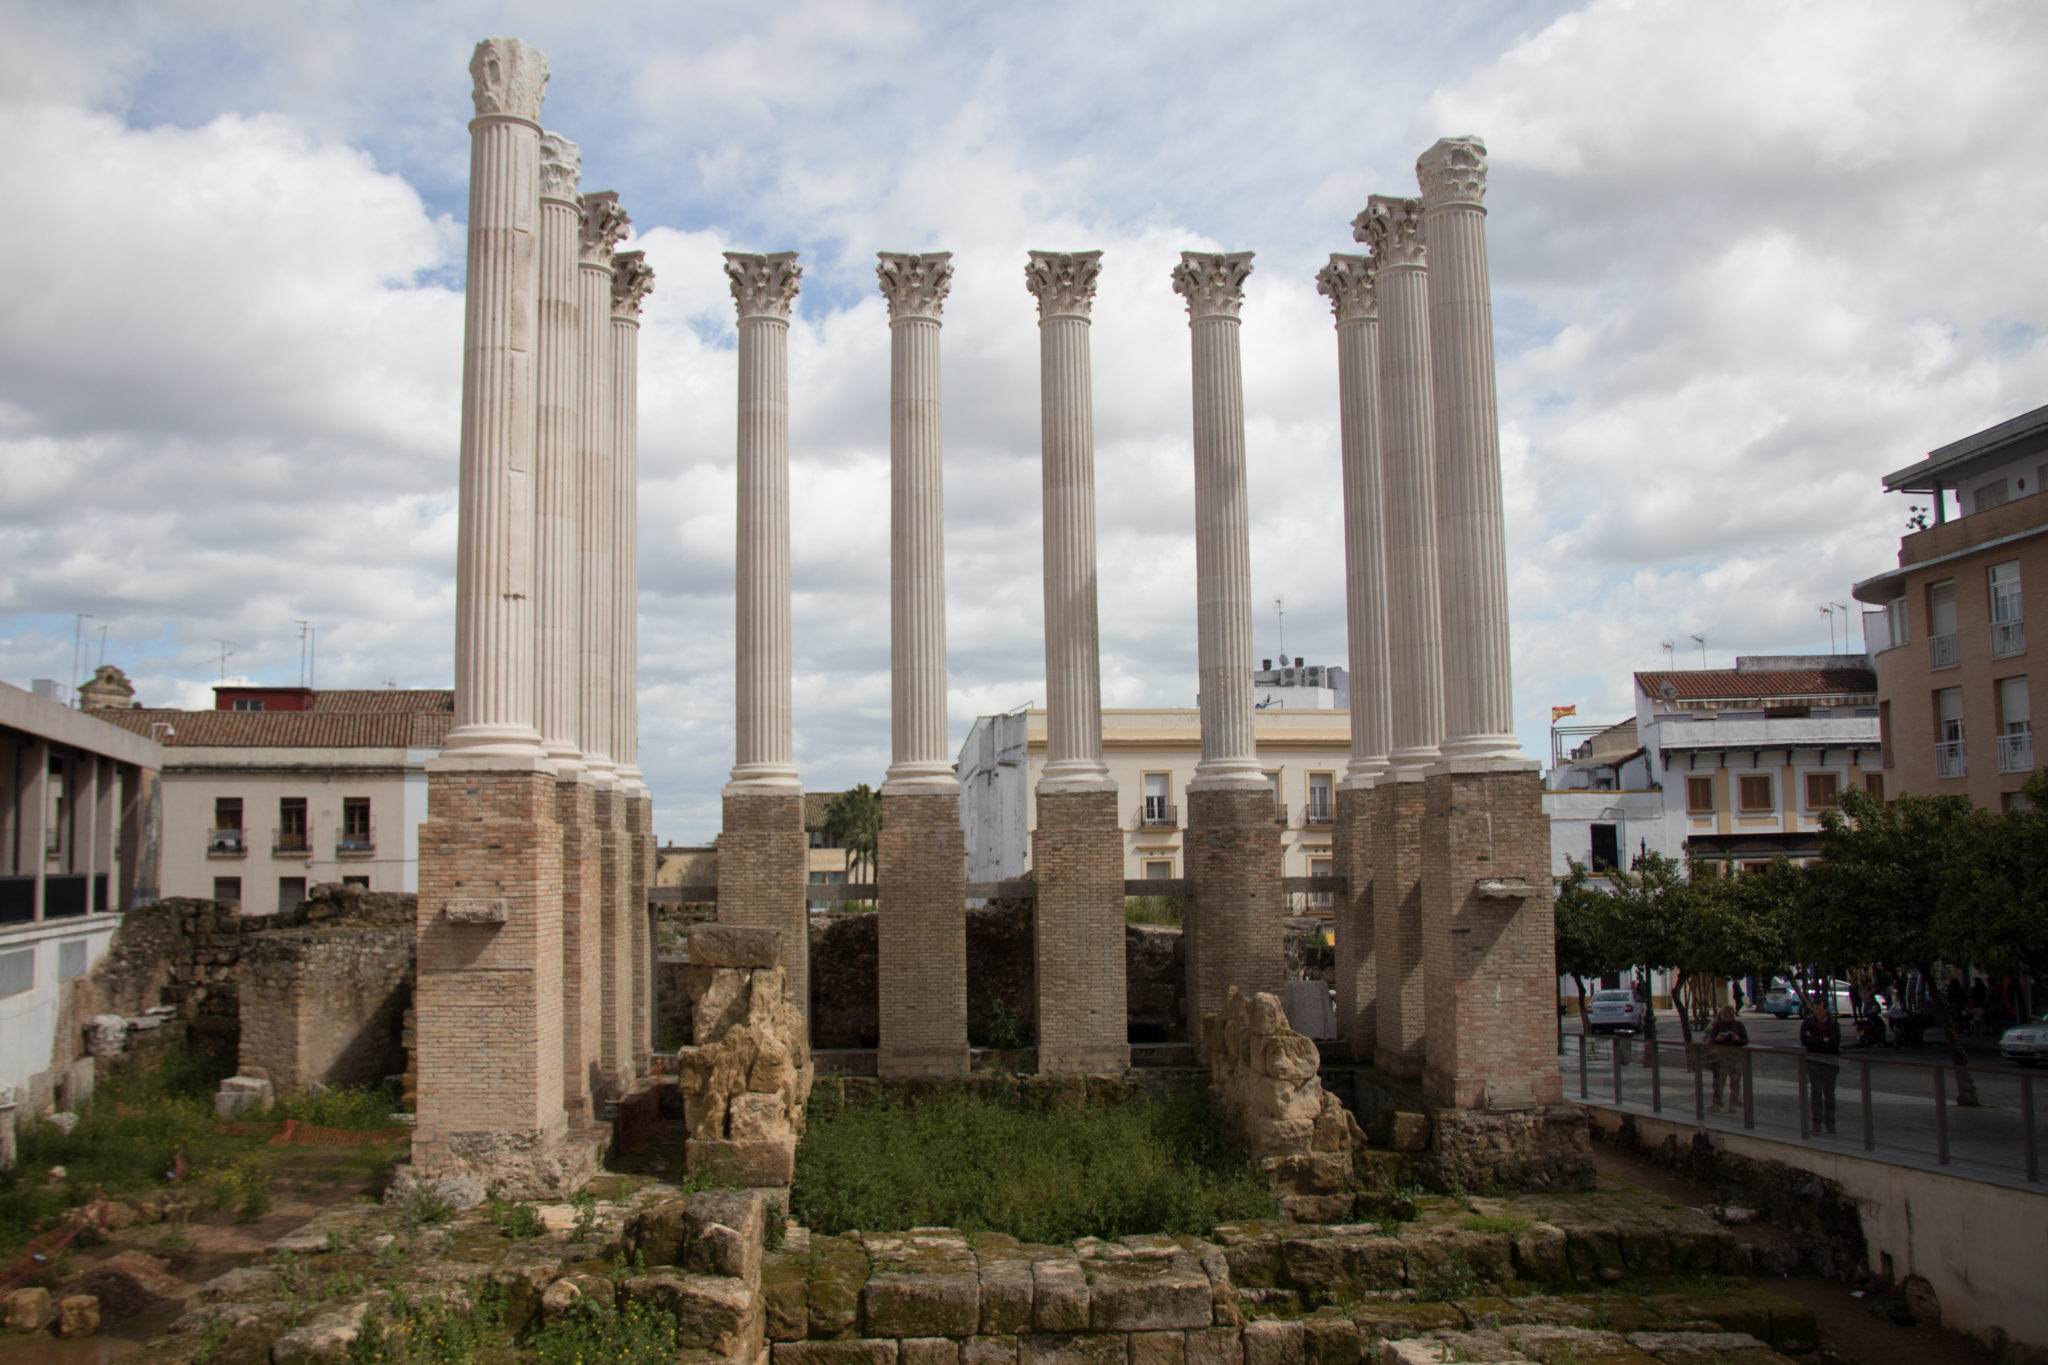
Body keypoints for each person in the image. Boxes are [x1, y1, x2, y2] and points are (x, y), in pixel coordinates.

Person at [1801, 1004, 1842, 1134]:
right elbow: (1805, 1040)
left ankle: (1830, 1123)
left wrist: (1816, 1042)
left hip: (1829, 1063)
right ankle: (1816, 1123)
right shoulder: (1808, 1022)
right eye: (1816, 1009)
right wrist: (1821, 1040)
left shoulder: (1833, 1024)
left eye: (1820, 1009)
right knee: (1816, 1093)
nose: (1818, 1011)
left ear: (1826, 1010)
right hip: (1813, 1062)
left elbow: (1833, 1043)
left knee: (1829, 1095)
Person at [1706, 1004, 1748, 1110]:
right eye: (1723, 1014)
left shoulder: (1738, 1025)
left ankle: (1733, 1101)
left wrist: (1737, 1039)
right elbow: (1711, 1040)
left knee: (1735, 1079)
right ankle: (1717, 1101)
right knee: (1719, 1080)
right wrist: (1718, 1039)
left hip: (1735, 1055)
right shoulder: (1718, 1025)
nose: (1725, 1016)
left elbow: (1745, 1040)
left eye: (1727, 1014)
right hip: (1721, 1056)